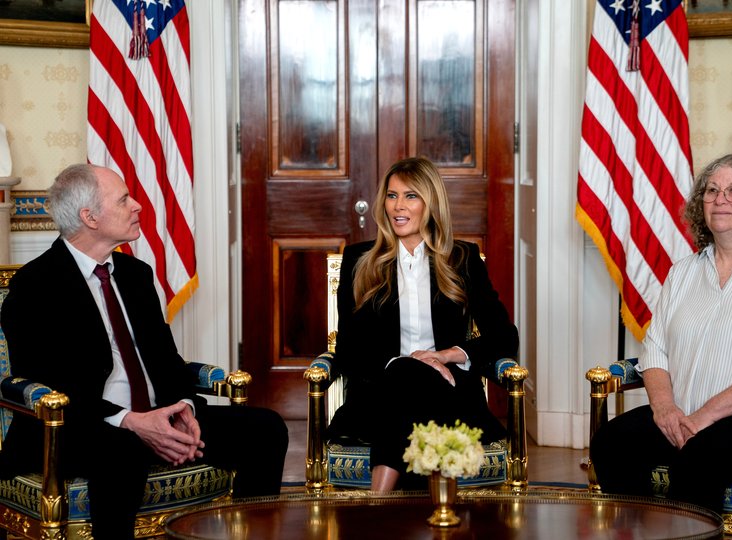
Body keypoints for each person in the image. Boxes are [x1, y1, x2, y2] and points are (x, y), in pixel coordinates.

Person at [0, 164, 288, 539]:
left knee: (265, 429)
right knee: (123, 452)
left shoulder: (136, 274)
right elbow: (52, 386)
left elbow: (167, 361)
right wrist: (132, 421)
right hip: (79, 427)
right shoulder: (36, 285)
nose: (137, 206)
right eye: (123, 200)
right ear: (90, 217)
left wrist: (183, 407)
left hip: (157, 414)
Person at [590, 154, 732, 513]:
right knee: (612, 442)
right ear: (700, 204)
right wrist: (664, 410)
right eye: (711, 190)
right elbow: (655, 350)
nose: (720, 199)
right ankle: (643, 535)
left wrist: (701, 418)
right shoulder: (683, 272)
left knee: (698, 458)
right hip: (679, 415)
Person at [325, 156, 519, 491]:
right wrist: (406, 363)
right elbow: (349, 350)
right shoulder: (360, 260)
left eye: (410, 196)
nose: (398, 206)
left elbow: (504, 336)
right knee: (407, 374)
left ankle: (377, 503)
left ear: (431, 203)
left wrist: (444, 356)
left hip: (450, 392)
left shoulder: (462, 259)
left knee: (420, 381)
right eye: (391, 195)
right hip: (379, 396)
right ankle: (439, 511)